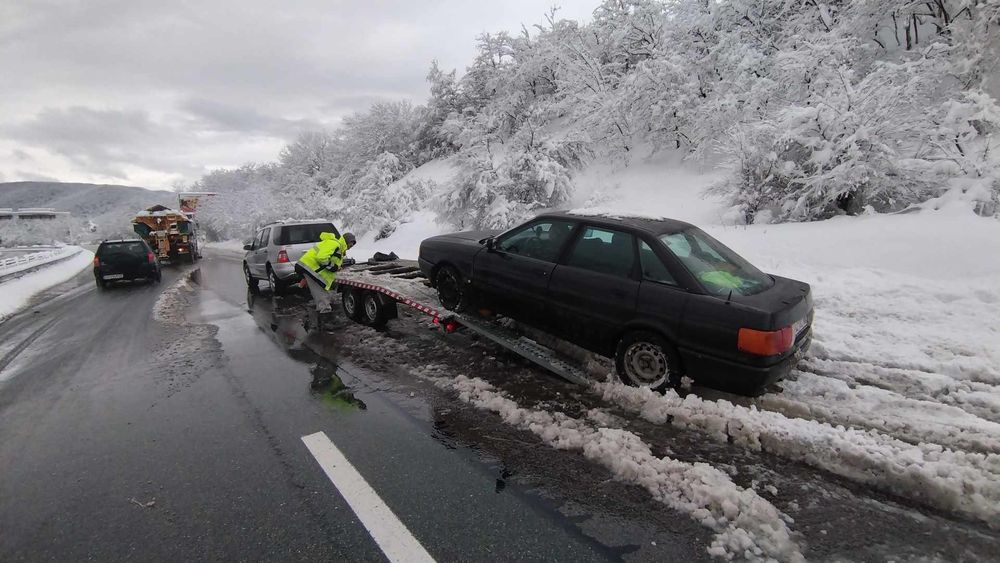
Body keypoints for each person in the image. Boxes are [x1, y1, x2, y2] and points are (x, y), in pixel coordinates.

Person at [295, 231, 356, 318]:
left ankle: (322, 317)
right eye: (351, 243)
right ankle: (325, 321)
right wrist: (334, 267)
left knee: (323, 296)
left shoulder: (338, 247)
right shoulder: (335, 244)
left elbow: (330, 259)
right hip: (310, 269)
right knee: (322, 298)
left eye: (353, 244)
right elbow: (321, 257)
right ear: (347, 241)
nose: (352, 246)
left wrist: (337, 267)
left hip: (310, 269)